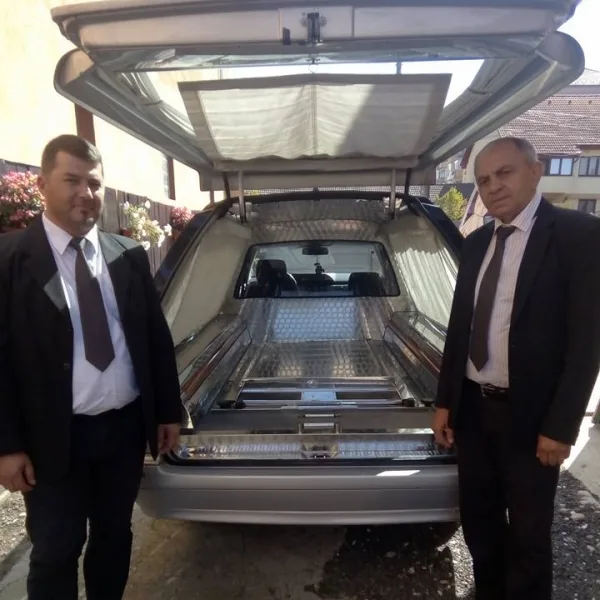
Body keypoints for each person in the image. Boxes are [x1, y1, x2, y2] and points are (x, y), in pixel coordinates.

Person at [0, 134, 183, 600]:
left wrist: (167, 411)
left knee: (114, 537)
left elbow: (155, 340)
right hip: (52, 438)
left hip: (123, 431)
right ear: (42, 184)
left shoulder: (127, 255)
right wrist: (6, 446)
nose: (86, 193)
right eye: (72, 180)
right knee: (56, 549)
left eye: (95, 184)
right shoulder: (9, 260)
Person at [433, 136, 600, 600]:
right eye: (484, 180)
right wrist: (445, 403)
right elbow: (459, 330)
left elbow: (586, 344)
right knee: (480, 522)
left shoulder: (579, 236)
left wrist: (561, 427)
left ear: (535, 170)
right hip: (473, 410)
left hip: (531, 417)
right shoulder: (476, 243)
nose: (493, 187)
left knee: (529, 533)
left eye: (504, 173)